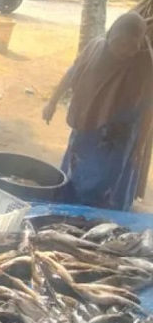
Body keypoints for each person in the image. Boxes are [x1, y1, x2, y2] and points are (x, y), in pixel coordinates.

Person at [43, 12, 152, 211]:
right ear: (111, 35)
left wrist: (140, 145)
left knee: (107, 185)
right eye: (119, 43)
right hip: (87, 129)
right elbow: (72, 73)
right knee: (75, 175)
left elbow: (148, 108)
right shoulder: (95, 49)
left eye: (132, 46)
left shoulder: (144, 65)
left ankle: (102, 219)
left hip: (118, 140)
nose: (125, 51)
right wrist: (52, 102)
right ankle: (67, 210)